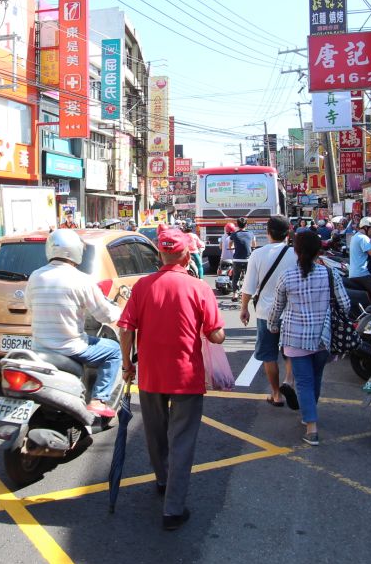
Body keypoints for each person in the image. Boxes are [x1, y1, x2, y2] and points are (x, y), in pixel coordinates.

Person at [118, 225, 225, 530]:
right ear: (186, 255)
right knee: (182, 440)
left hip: (151, 375)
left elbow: (126, 329)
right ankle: (173, 509)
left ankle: (163, 481)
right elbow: (215, 335)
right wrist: (218, 334)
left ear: (161, 254)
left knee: (154, 434)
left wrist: (127, 365)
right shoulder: (199, 288)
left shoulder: (142, 286)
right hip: (186, 377)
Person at [24, 228, 123, 415]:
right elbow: (105, 316)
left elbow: (29, 304)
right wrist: (119, 311)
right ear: (75, 251)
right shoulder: (81, 280)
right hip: (72, 348)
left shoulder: (35, 275)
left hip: (40, 348)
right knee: (114, 351)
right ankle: (98, 400)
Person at [269, 229, 349, 446]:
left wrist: (272, 325)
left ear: (296, 250)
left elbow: (277, 307)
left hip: (295, 338)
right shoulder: (330, 274)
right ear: (318, 251)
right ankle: (309, 413)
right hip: (322, 337)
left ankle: (311, 427)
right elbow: (345, 304)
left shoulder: (287, 275)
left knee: (303, 382)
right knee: (315, 378)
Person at [239, 215, 298, 408]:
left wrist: (244, 308)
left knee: (268, 354)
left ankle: (276, 395)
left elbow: (248, 287)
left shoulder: (258, 254)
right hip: (292, 313)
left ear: (268, 232)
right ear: (288, 233)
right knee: (290, 352)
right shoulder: (295, 253)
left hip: (266, 313)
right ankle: (289, 381)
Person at [228, 217, 255, 300]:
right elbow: (254, 244)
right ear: (246, 225)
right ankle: (250, 293)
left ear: (237, 225)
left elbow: (230, 244)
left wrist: (232, 247)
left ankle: (235, 294)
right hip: (247, 259)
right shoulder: (251, 234)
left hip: (237, 260)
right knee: (249, 277)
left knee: (235, 277)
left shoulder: (234, 234)